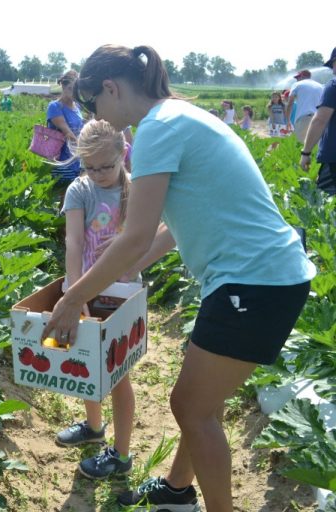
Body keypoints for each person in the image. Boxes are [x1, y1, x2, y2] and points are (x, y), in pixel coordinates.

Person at [43, 44, 314, 512]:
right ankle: (177, 491)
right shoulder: (181, 115)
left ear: (111, 88)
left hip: (253, 283)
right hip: (257, 279)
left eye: (93, 104)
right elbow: (168, 229)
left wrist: (73, 299)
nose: (96, 115)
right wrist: (128, 265)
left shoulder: (156, 130)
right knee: (199, 403)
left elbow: (135, 235)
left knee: (189, 407)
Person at [54, 120, 137, 480]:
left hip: (121, 291)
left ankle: (121, 452)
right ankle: (93, 427)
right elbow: (73, 242)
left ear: (123, 154)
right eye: (91, 167)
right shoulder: (79, 190)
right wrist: (76, 292)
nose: (99, 173)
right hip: (86, 286)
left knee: (118, 372)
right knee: (86, 360)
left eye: (107, 165)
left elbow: (142, 241)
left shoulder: (134, 189)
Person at [300, 47, 336, 196]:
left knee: (328, 207)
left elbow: (319, 120)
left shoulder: (333, 86)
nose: (333, 71)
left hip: (334, 158)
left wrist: (306, 152)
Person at [47, 70, 85, 198]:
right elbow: (68, 132)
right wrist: (87, 149)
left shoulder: (77, 106)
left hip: (75, 160)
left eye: (77, 89)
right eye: (71, 88)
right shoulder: (55, 107)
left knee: (72, 199)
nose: (74, 92)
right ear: (63, 86)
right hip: (62, 161)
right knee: (65, 198)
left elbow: (80, 129)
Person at [285, 70, 324, 143]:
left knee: (301, 145)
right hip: (319, 119)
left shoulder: (297, 84)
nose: (297, 79)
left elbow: (290, 103)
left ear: (302, 76)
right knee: (316, 146)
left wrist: (288, 121)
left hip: (304, 119)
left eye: (297, 77)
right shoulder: (320, 86)